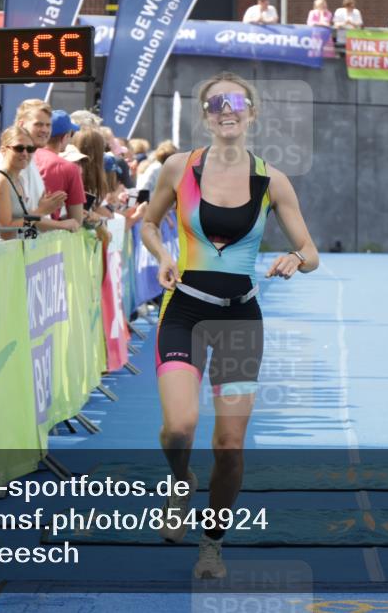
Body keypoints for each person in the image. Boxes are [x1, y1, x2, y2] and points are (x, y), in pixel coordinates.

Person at [140, 72, 319, 579]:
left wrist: (294, 259)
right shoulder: (179, 167)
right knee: (179, 429)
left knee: (229, 446)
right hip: (185, 310)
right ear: (205, 114)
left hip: (240, 318)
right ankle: (180, 483)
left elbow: (311, 252)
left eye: (236, 103)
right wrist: (160, 255)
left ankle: (211, 544)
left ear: (251, 114)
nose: (227, 110)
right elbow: (149, 223)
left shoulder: (272, 180)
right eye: (217, 103)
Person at [0, 127, 67, 240]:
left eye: (30, 149)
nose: (25, 153)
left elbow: (25, 222)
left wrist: (44, 208)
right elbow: (6, 232)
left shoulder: (20, 180)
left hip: (18, 253)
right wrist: (41, 210)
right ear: (3, 150)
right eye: (19, 148)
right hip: (0, 253)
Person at [24, 103, 85, 230]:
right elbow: (76, 221)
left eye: (47, 125)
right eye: (71, 135)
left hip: (15, 237)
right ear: (65, 137)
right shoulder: (69, 168)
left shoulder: (19, 155)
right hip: (45, 240)